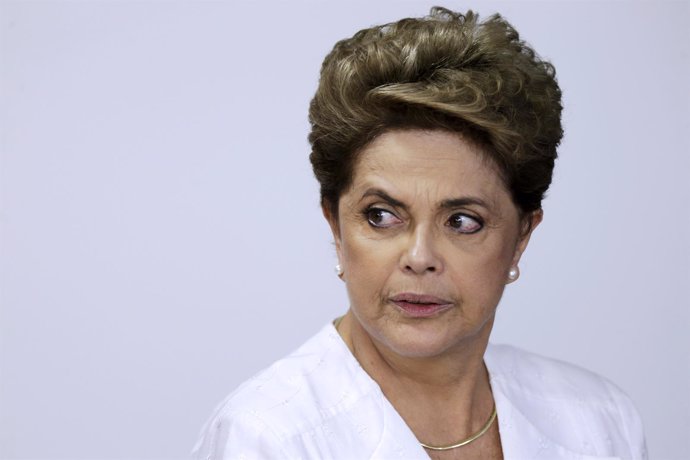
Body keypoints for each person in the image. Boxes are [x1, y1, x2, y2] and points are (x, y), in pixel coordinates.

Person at [193, 7, 647, 459]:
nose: (419, 256)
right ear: (335, 225)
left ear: (522, 236)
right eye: (381, 216)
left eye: (462, 221)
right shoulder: (267, 438)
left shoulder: (599, 420)